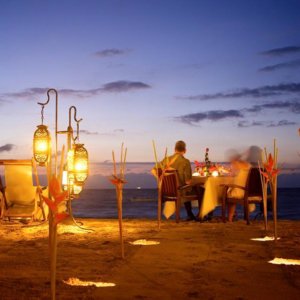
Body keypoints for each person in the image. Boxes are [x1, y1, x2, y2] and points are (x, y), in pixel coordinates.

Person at [151, 140, 202, 221]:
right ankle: (202, 215)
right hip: (179, 190)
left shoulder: (166, 159)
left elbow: (153, 170)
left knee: (186, 188)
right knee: (201, 190)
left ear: (175, 149)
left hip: (166, 191)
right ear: (185, 151)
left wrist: (160, 178)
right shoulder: (185, 162)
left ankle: (190, 214)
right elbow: (188, 181)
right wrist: (197, 182)